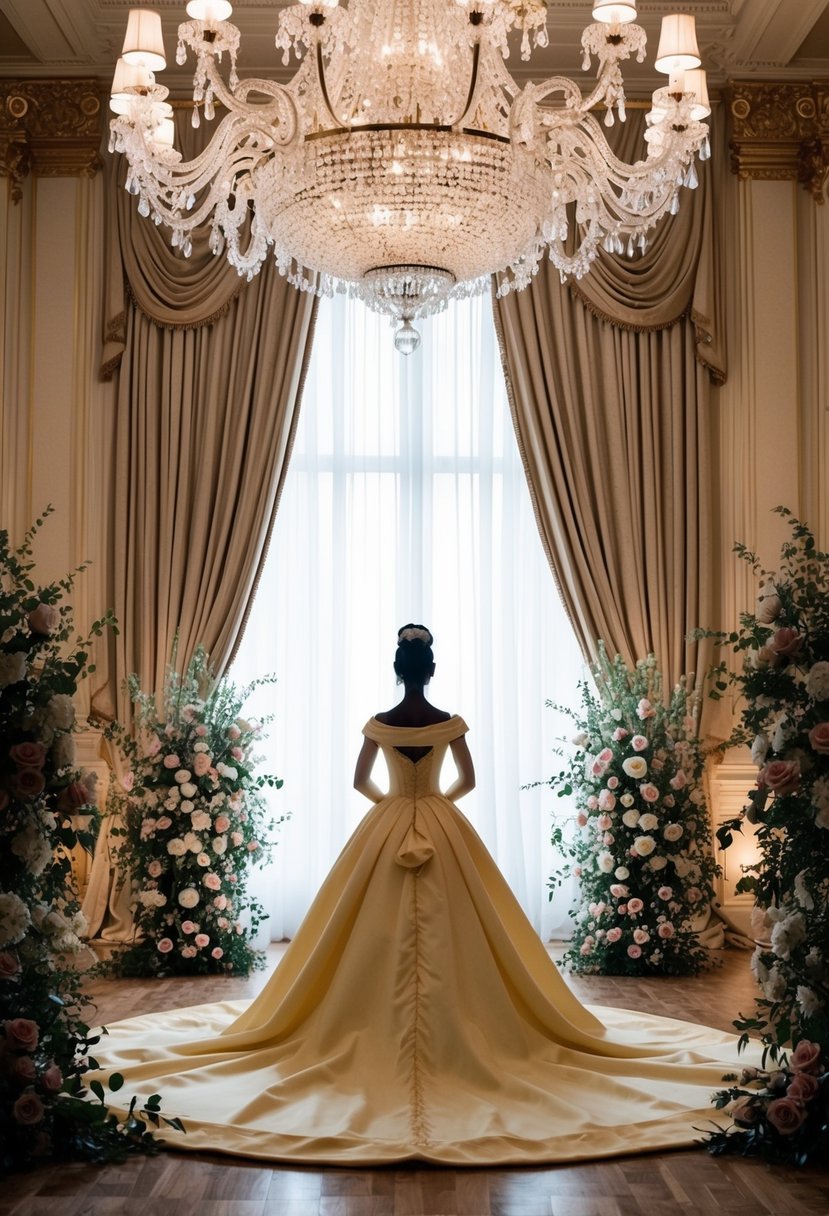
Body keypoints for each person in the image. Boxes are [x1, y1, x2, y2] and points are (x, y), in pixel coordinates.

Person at [89, 625, 758, 1164]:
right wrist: (432, 807)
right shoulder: (449, 723)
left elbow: (359, 784)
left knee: (354, 936)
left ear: (397, 667)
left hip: (386, 824)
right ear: (429, 669)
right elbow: (465, 780)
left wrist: (394, 809)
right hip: (441, 820)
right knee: (473, 935)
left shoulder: (379, 723)